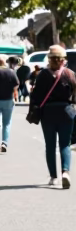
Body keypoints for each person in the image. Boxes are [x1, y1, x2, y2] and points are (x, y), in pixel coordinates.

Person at [28, 45, 76, 188]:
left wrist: (33, 111)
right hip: (66, 111)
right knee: (65, 144)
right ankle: (65, 172)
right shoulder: (70, 74)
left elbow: (35, 95)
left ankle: (53, 177)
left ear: (49, 59)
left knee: (50, 145)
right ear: (63, 60)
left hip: (48, 112)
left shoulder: (42, 75)